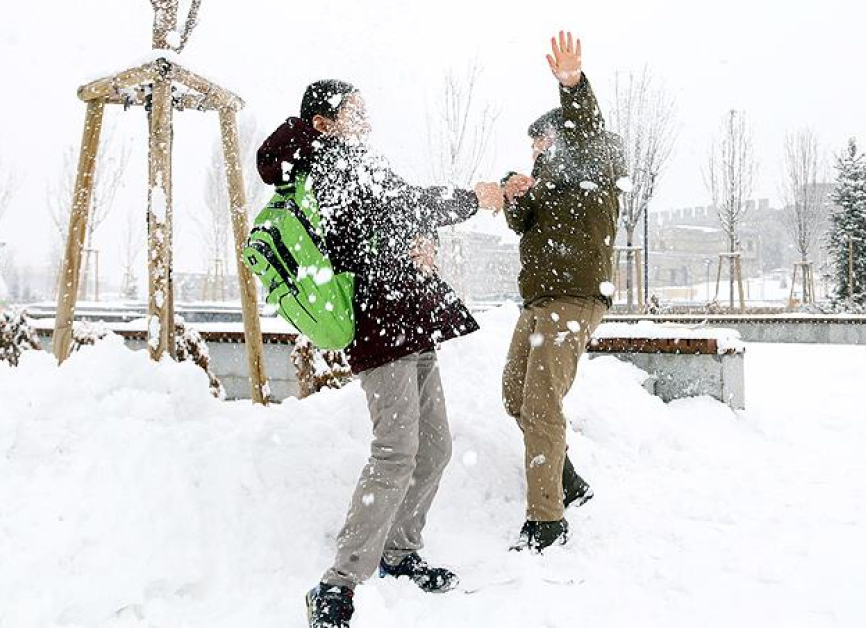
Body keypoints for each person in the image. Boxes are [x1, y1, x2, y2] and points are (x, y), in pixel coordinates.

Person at [256, 80, 504, 628]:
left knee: (435, 447)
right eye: (355, 112)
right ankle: (337, 584)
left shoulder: (359, 161)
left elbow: (400, 214)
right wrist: (472, 199)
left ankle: (399, 552)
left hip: (410, 319)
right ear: (324, 122)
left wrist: (426, 241)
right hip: (379, 325)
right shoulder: (325, 163)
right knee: (395, 451)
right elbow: (404, 205)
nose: (367, 120)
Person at [498, 31, 627, 552]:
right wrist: (513, 193)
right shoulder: (546, 183)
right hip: (539, 302)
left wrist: (572, 85)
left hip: (574, 299)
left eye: (542, 142)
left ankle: (547, 520)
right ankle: (567, 479)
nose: (536, 151)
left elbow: (587, 128)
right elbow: (521, 223)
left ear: (564, 136)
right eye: (532, 147)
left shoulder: (596, 161)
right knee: (515, 394)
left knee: (541, 403)